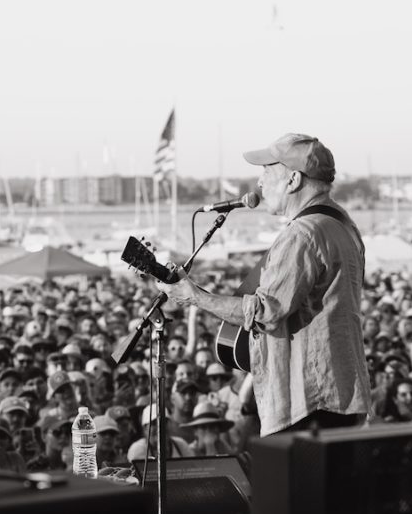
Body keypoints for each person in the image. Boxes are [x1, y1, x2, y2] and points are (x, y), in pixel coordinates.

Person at [153, 133, 372, 435]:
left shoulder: (302, 234)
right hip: (344, 392)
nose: (259, 182)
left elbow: (265, 313)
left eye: (267, 171)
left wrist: (195, 296)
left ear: (293, 179)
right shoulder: (343, 225)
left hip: (308, 400)